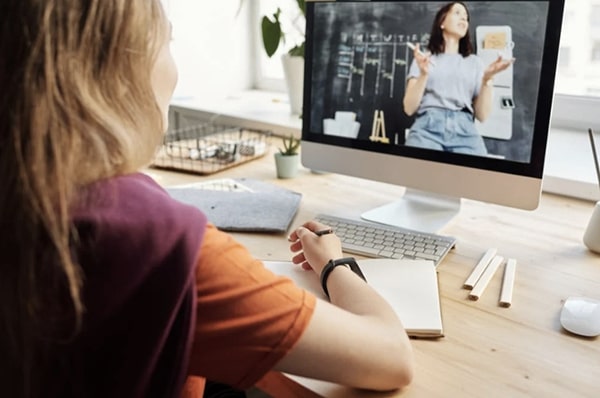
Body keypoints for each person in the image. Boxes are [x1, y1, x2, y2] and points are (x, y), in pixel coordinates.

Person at [0, 1, 415, 397]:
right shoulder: (158, 242)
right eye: (168, 43)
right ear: (120, 67)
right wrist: (333, 262)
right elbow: (391, 358)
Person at [403, 1, 514, 155]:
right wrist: (424, 74)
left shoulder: (475, 63)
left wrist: (487, 79)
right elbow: (409, 108)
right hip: (427, 128)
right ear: (442, 22)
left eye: (466, 17)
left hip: (465, 130)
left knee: (479, 176)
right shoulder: (424, 59)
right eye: (457, 13)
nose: (463, 19)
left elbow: (482, 115)